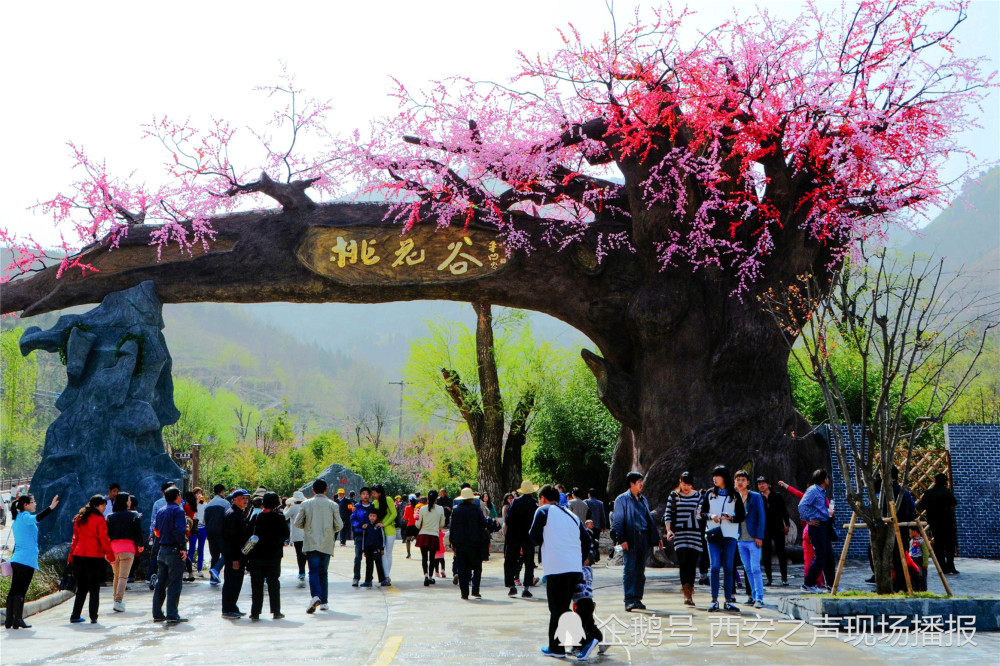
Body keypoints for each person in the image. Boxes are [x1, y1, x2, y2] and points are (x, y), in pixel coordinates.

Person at [529, 484, 591, 659]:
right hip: (573, 567)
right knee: (559, 607)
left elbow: (533, 537)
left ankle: (587, 638)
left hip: (557, 567)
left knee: (557, 609)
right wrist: (579, 560)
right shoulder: (572, 516)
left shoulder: (543, 511)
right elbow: (586, 541)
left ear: (543, 499)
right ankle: (556, 647)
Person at [611, 471, 663, 612]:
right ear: (631, 484)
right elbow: (618, 521)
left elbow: (649, 520)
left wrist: (657, 537)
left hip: (644, 538)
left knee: (640, 571)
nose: (641, 484)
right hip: (631, 539)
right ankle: (629, 600)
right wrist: (622, 539)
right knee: (630, 569)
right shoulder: (621, 500)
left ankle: (637, 599)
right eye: (639, 481)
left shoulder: (643, 499)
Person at [4, 493, 58, 629]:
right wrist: (50, 508)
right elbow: (37, 518)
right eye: (33, 502)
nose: (35, 504)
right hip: (26, 560)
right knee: (21, 591)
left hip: (17, 559)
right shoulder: (26, 517)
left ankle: (9, 620)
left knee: (14, 590)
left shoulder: (17, 519)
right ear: (25, 505)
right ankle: (18, 620)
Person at [294, 478, 344, 614]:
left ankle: (315, 596)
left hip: (311, 542)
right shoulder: (333, 505)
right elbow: (339, 525)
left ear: (313, 490)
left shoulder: (306, 504)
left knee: (313, 571)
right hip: (327, 543)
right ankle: (324, 602)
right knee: (323, 573)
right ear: (326, 490)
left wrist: (309, 527)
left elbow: (297, 523)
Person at [701, 465, 746, 613]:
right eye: (714, 476)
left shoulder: (735, 495)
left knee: (728, 567)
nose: (714, 478)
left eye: (718, 476)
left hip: (730, 535)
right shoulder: (709, 494)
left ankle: (728, 600)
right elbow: (700, 512)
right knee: (714, 567)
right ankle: (714, 600)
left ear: (724, 478)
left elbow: (741, 515)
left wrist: (731, 518)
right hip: (713, 534)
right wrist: (710, 516)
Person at [68, 495, 115, 623]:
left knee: (81, 587)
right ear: (96, 506)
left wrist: (70, 556)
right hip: (93, 556)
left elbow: (75, 539)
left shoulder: (80, 518)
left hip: (78, 555)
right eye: (103, 505)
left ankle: (75, 615)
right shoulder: (100, 520)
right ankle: (93, 616)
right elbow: (104, 539)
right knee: (94, 587)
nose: (105, 508)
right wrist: (111, 556)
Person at [247, 492, 289, 620]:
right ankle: (276, 611)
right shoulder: (280, 518)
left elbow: (249, 534)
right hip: (273, 556)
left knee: (257, 584)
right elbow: (286, 534)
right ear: (277, 503)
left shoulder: (256, 517)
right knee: (273, 583)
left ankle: (255, 612)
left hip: (256, 556)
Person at [664, 471, 703, 607]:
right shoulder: (674, 496)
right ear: (680, 482)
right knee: (683, 563)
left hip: (695, 534)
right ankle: (686, 594)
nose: (686, 487)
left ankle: (690, 592)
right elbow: (668, 513)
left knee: (692, 564)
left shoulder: (698, 496)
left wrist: (700, 514)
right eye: (684, 484)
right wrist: (669, 530)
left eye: (688, 484)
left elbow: (702, 512)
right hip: (680, 534)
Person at [151, 487, 189, 624]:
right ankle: (172, 614)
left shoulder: (161, 510)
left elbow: (156, 530)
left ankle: (157, 613)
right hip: (174, 549)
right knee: (174, 583)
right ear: (178, 496)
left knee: (161, 583)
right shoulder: (178, 510)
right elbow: (179, 531)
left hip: (162, 549)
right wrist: (183, 548)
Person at [799, 469, 835, 594]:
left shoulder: (822, 491)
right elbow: (802, 505)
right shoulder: (813, 490)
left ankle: (832, 584)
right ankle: (808, 583)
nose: (828, 480)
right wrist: (808, 519)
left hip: (824, 525)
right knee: (820, 556)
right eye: (827, 478)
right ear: (824, 479)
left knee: (829, 557)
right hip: (817, 527)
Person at [106, 492, 143, 612]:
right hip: (127, 549)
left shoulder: (110, 516)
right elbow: (138, 531)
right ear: (124, 502)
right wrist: (140, 545)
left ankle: (115, 601)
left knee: (116, 576)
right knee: (123, 577)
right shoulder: (134, 515)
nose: (130, 502)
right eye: (128, 500)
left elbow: (108, 534)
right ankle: (118, 601)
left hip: (113, 549)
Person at [450, 487, 488, 599]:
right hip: (475, 543)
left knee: (462, 569)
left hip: (460, 544)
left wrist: (452, 543)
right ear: (471, 498)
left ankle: (464, 593)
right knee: (477, 567)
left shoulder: (456, 510)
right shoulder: (476, 509)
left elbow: (452, 528)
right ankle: (475, 590)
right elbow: (484, 523)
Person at [734, 470, 766, 608]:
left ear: (747, 482)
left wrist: (759, 536)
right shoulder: (734, 497)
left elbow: (762, 517)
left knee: (755, 568)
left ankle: (759, 597)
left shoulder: (755, 497)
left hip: (753, 538)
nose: (740, 482)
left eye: (743, 479)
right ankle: (753, 596)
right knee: (747, 568)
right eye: (738, 479)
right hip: (740, 538)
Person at [917, 473, 959, 574]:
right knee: (950, 544)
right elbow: (955, 502)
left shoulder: (929, 493)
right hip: (948, 522)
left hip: (935, 523)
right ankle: (951, 566)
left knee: (939, 545)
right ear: (945, 482)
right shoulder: (947, 493)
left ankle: (942, 567)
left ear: (935, 481)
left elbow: (920, 506)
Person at [505, 480, 539, 598]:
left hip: (514, 535)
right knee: (529, 561)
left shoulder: (515, 502)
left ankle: (511, 586)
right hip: (528, 536)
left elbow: (508, 520)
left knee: (510, 560)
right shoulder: (534, 504)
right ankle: (526, 588)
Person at [221, 488, 251, 618]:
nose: (245, 501)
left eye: (246, 498)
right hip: (233, 555)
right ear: (235, 499)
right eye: (242, 498)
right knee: (231, 582)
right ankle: (227, 609)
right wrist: (234, 558)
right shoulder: (232, 514)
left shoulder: (239, 513)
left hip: (239, 554)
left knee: (237, 582)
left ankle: (232, 606)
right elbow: (230, 539)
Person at [757, 477, 790, 586]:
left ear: (768, 484)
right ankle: (769, 578)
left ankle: (784, 578)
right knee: (766, 554)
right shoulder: (758, 497)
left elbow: (784, 510)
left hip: (778, 527)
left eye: (763, 483)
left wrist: (787, 524)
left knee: (781, 553)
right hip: (764, 529)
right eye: (759, 484)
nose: (761, 485)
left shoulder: (777, 496)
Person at [415, 489, 446, 586]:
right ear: (436, 498)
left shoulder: (422, 509)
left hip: (423, 535)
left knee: (424, 558)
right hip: (434, 535)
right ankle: (431, 577)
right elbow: (442, 524)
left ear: (428, 498)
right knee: (432, 558)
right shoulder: (440, 509)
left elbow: (417, 524)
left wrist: (415, 518)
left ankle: (425, 576)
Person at [203, 483, 230, 586]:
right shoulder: (225, 503)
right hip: (221, 532)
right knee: (226, 554)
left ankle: (213, 579)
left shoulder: (208, 505)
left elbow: (204, 520)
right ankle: (216, 570)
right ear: (222, 491)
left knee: (214, 555)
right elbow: (228, 518)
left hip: (209, 533)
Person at [371, 484, 397, 584]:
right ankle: (385, 576)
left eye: (374, 493)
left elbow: (394, 513)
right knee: (383, 553)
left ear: (380, 493)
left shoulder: (388, 500)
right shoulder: (374, 502)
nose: (373, 495)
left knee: (388, 553)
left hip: (390, 530)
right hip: (379, 532)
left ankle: (386, 575)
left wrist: (384, 524)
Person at [350, 487, 375, 587]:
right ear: (360, 495)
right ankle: (356, 578)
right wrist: (360, 525)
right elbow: (352, 520)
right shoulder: (357, 507)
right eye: (363, 494)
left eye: (367, 494)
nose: (365, 496)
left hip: (370, 535)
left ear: (370, 496)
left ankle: (369, 578)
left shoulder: (372, 507)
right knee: (357, 557)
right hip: (359, 534)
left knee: (369, 558)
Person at [359, 509, 388, 587]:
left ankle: (382, 580)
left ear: (377, 517)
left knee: (379, 564)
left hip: (377, 548)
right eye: (370, 516)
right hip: (368, 548)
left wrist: (382, 548)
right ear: (368, 516)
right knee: (369, 565)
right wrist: (363, 550)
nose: (372, 517)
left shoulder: (379, 526)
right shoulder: (366, 526)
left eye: (374, 516)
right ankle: (368, 581)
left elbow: (382, 538)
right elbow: (364, 539)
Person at [283, 491, 307, 583]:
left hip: (297, 535)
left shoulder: (293, 508)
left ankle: (301, 571)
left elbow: (284, 517)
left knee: (299, 554)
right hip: (306, 534)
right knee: (306, 553)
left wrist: (286, 508)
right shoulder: (306, 507)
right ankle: (306, 570)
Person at [584, 490, 606, 563]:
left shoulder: (586, 502)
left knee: (588, 541)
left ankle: (590, 556)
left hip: (587, 524)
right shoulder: (600, 503)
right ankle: (596, 556)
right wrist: (604, 526)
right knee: (596, 541)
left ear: (589, 494)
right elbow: (602, 515)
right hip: (597, 525)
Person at [190, 487, 207, 578]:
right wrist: (196, 501)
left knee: (201, 548)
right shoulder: (191, 504)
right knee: (192, 549)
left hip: (202, 527)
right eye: (197, 493)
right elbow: (193, 511)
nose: (199, 494)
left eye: (200, 492)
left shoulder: (204, 504)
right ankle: (189, 570)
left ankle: (199, 569)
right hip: (194, 527)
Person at [182, 490, 199, 582]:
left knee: (183, 552)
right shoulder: (193, 506)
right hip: (189, 529)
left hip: (185, 529)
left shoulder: (186, 507)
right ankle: (190, 573)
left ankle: (190, 573)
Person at [908, 526, 929, 592]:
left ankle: (922, 590)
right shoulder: (911, 540)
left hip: (919, 560)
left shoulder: (922, 541)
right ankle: (915, 589)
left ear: (914, 532)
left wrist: (925, 563)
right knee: (913, 577)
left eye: (910, 531)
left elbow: (926, 552)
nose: (909, 532)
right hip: (912, 560)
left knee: (921, 576)